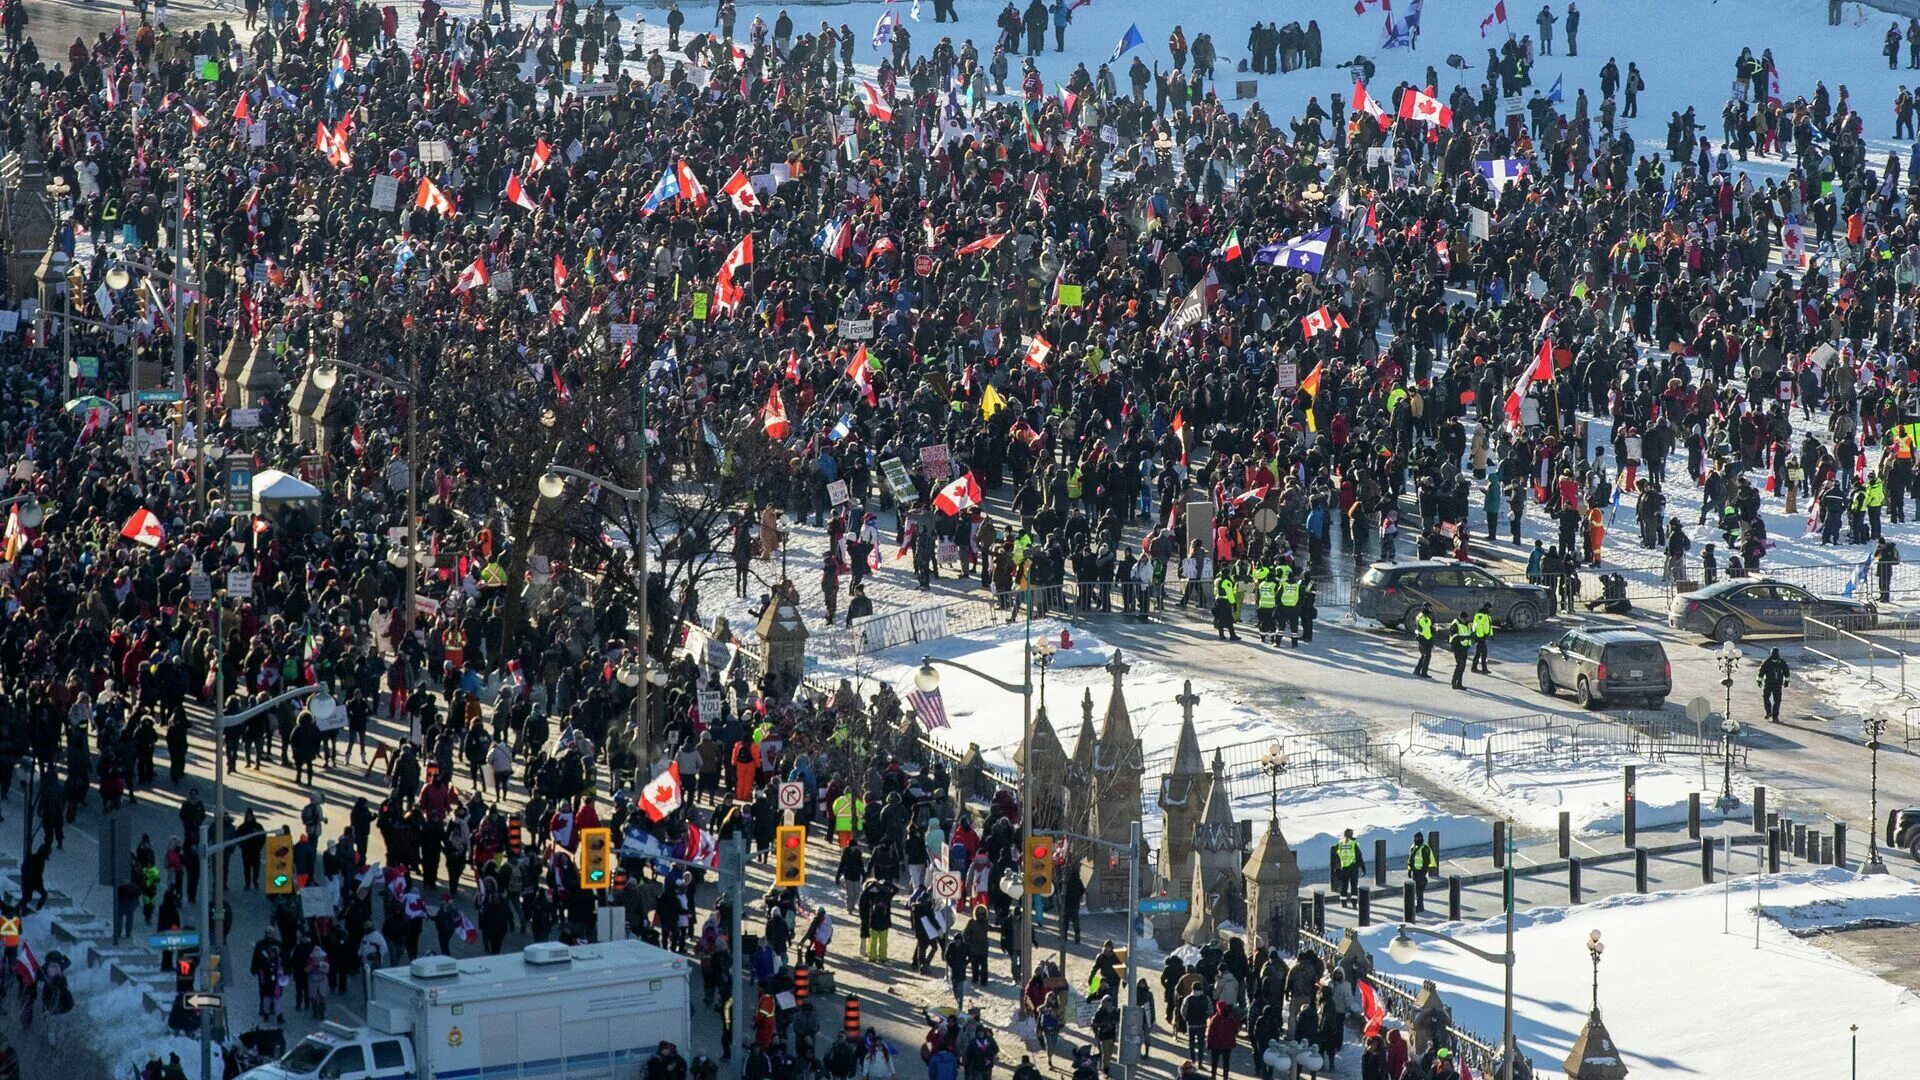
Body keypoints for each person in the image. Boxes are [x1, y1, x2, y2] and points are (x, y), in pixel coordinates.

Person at [1758, 648, 1790, 723]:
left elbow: (1761, 673)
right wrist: (1786, 682)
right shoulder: (1780, 662)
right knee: (1775, 700)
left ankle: (1771, 714)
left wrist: (1759, 681)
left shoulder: (1768, 662)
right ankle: (1772, 714)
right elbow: (1786, 673)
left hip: (1772, 684)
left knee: (1770, 699)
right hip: (1774, 684)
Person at [1406, 832, 1435, 913]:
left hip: (1421, 872)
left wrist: (1423, 873)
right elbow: (1410, 859)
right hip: (1415, 871)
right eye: (1416, 838)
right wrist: (1409, 870)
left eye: (1418, 838)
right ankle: (1418, 905)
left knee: (1419, 890)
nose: (1417, 840)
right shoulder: (1413, 847)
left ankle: (1420, 906)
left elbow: (1426, 861)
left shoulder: (1425, 848)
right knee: (1417, 890)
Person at [1448, 614, 1474, 690]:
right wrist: (1465, 637)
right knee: (1460, 665)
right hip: (1457, 647)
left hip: (1465, 647)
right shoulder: (1455, 624)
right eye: (1464, 618)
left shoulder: (1468, 624)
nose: (1465, 620)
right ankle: (1454, 682)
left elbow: (1470, 632)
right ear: (1460, 618)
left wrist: (1473, 636)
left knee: (1462, 667)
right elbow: (1454, 636)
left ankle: (1459, 683)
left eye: (1466, 618)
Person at [1411, 604, 1436, 678]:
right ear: (1425, 608)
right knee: (1427, 656)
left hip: (1423, 638)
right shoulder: (1423, 618)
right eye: (1429, 608)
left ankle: (1417, 670)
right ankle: (1424, 672)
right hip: (1425, 638)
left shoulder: (1421, 615)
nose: (1430, 609)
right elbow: (1426, 629)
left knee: (1423, 656)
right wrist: (1433, 631)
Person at [1469, 602, 1493, 675]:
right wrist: (1481, 636)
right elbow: (1479, 626)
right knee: (1484, 653)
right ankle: (1484, 669)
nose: (1490, 610)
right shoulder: (1481, 615)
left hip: (1483, 636)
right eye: (1489, 608)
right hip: (1480, 637)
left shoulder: (1486, 615)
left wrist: (1491, 634)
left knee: (1478, 653)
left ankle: (1474, 667)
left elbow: (1489, 626)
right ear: (1487, 607)